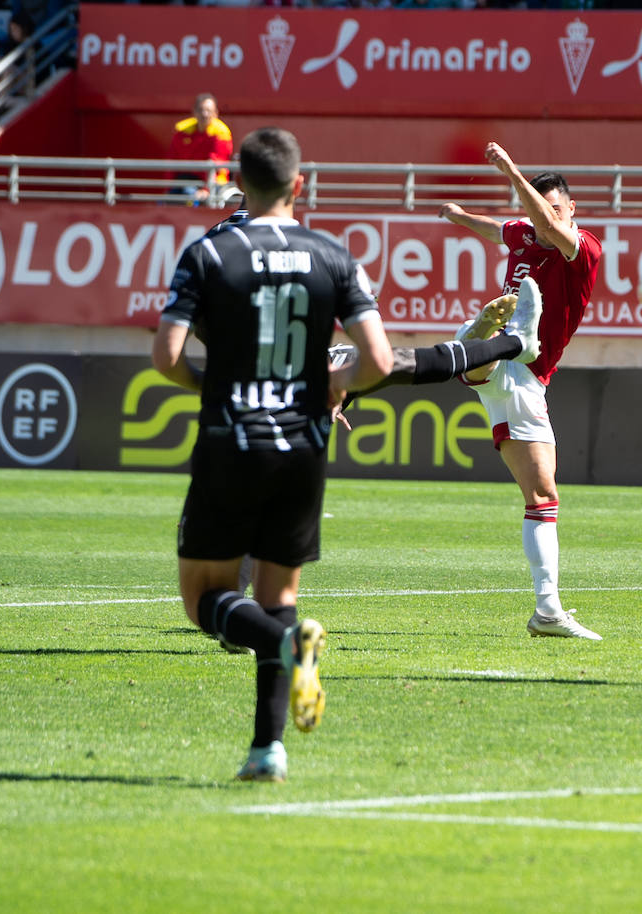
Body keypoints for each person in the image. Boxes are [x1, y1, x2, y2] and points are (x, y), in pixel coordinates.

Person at [150, 126, 545, 782]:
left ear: (236, 183)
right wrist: (332, 387)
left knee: (206, 599)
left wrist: (212, 385)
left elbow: (166, 357)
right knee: (278, 595)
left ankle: (285, 651)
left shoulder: (209, 250)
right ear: (299, 184)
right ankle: (266, 749)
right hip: (305, 442)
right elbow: (382, 361)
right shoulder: (332, 254)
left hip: (233, 436)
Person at [435, 141, 605, 641]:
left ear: (571, 209)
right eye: (539, 205)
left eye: (555, 207)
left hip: (523, 377)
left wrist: (510, 171)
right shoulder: (525, 234)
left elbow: (545, 229)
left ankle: (475, 349)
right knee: (543, 496)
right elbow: (499, 230)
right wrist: (461, 215)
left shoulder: (582, 247)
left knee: (538, 492)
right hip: (524, 371)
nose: (545, 216)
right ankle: (548, 610)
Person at [169, 93, 233, 205]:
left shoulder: (221, 135)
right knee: (166, 200)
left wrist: (206, 190)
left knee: (190, 197)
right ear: (194, 112)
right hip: (186, 181)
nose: (204, 114)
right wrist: (168, 187)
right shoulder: (182, 133)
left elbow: (217, 167)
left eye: (208, 110)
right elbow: (172, 161)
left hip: (214, 183)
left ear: (216, 113)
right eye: (201, 110)